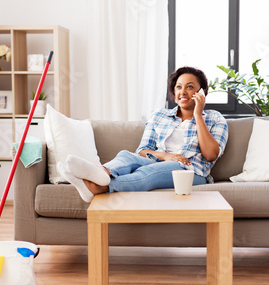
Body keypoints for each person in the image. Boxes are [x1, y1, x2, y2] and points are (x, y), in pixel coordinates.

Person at [57, 66, 228, 203]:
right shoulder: (159, 116)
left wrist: (198, 115)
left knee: (148, 172)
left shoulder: (214, 118)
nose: (182, 92)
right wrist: (167, 156)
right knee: (126, 155)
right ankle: (101, 172)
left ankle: (94, 187)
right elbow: (143, 150)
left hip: (192, 172)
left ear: (202, 92)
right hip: (159, 160)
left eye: (190, 87)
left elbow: (211, 155)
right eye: (178, 87)